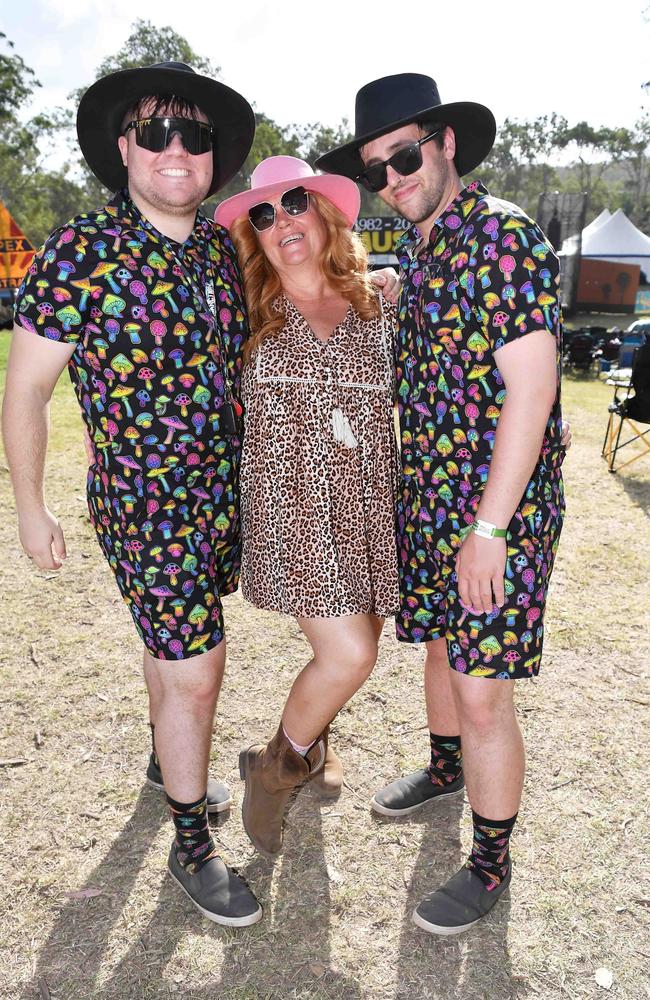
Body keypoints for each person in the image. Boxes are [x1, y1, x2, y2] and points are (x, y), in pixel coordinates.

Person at [3, 61, 263, 926]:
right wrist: (29, 505)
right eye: (156, 132)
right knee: (198, 668)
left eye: (193, 135)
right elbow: (28, 390)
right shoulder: (81, 252)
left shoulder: (226, 251)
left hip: (222, 501)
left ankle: (166, 763)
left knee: (173, 653)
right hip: (145, 504)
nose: (177, 150)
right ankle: (193, 842)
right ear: (125, 148)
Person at [316, 74, 566, 934]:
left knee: (482, 685)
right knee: (437, 650)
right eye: (378, 167)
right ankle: (445, 768)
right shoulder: (421, 249)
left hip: (496, 509)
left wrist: (489, 530)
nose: (394, 176)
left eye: (407, 154)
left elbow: (531, 394)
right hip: (427, 496)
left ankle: (491, 861)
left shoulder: (504, 238)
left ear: (448, 143)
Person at [213, 156, 400, 856]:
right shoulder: (242, 311)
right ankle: (277, 766)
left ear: (324, 212)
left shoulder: (377, 302)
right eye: (262, 215)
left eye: (294, 202)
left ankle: (317, 746)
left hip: (368, 503)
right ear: (255, 238)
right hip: (290, 508)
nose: (280, 221)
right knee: (348, 653)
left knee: (363, 639)